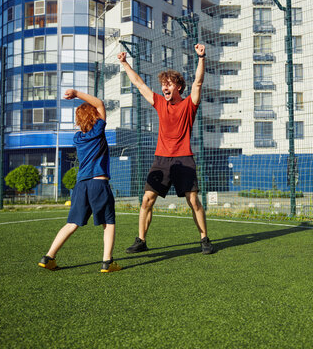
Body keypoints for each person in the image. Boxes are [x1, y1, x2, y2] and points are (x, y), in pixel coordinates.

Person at [118, 43, 214, 255]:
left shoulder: (189, 104)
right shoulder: (160, 103)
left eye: (168, 84)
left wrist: (201, 58)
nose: (164, 88)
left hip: (184, 159)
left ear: (178, 87)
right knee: (146, 200)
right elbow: (139, 84)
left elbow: (198, 82)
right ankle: (141, 240)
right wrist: (125, 63)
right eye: (163, 85)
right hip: (161, 159)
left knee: (193, 200)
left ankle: (205, 239)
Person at [38, 89, 121, 273]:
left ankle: (48, 257)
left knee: (71, 223)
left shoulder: (77, 137)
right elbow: (99, 103)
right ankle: (107, 262)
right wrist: (76, 93)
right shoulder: (98, 130)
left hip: (81, 185)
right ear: (95, 116)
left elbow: (92, 113)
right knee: (108, 222)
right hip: (98, 183)